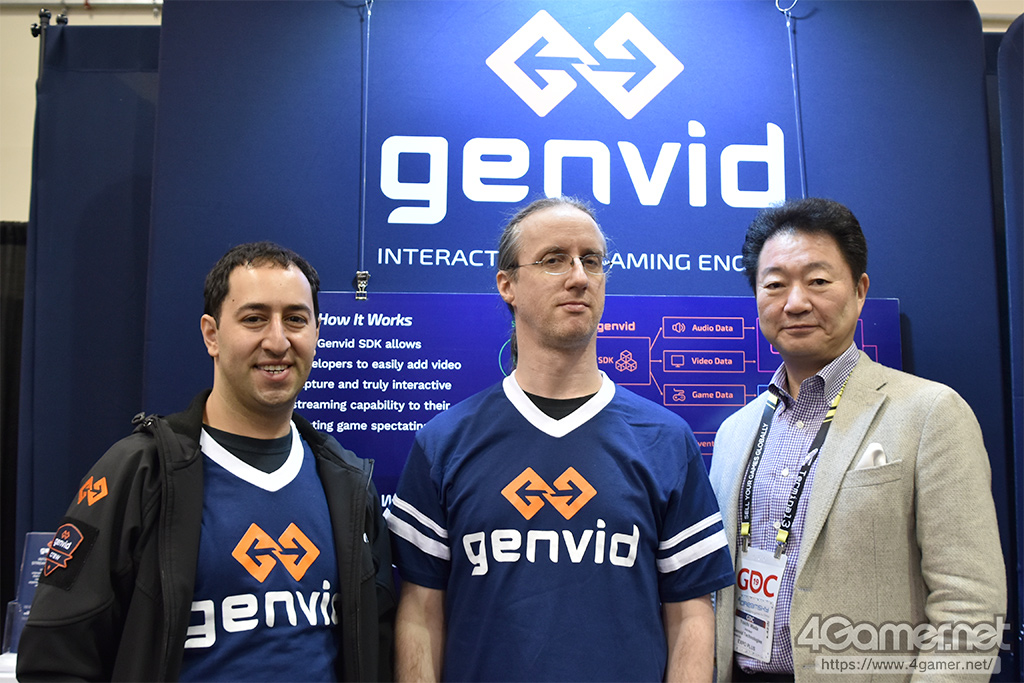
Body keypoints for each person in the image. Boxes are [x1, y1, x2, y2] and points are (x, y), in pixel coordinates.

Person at [385, 197, 734, 682]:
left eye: (591, 260)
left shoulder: (667, 441)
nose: (578, 277)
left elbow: (691, 614)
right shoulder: (444, 442)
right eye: (554, 260)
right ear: (507, 285)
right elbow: (421, 614)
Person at [17, 241, 396, 681]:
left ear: (316, 333)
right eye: (254, 319)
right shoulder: (140, 474)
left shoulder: (348, 485)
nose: (278, 341)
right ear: (211, 334)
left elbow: (377, 644)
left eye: (295, 319)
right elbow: (55, 659)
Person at [709, 198, 1006, 682]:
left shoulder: (930, 412)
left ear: (860, 290)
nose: (795, 302)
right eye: (775, 284)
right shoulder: (734, 434)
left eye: (818, 281)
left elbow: (970, 601)